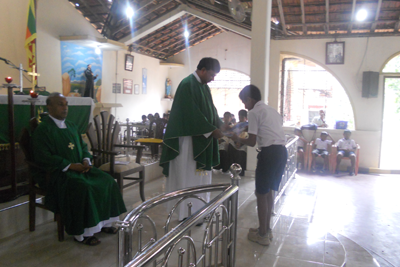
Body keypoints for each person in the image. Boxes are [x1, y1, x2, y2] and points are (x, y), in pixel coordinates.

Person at [32, 93, 127, 246]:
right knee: (84, 188)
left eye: (66, 104)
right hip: (60, 173)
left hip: (81, 167)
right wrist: (70, 166)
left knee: (108, 181)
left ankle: (106, 223)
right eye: (60, 104)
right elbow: (43, 156)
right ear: (49, 107)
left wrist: (85, 160)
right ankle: (82, 233)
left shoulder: (72, 126)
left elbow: (83, 147)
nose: (65, 108)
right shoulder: (43, 130)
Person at [160, 57, 224, 222]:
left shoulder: (203, 87)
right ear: (202, 70)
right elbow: (191, 114)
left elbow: (211, 110)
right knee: (188, 178)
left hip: (202, 138)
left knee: (201, 178)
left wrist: (221, 125)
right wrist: (211, 130)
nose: (212, 78)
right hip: (189, 142)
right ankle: (186, 214)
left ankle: (200, 211)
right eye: (211, 74)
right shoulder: (188, 85)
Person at [231, 85, 287, 246]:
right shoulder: (272, 110)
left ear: (249, 99)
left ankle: (262, 235)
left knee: (260, 193)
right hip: (281, 152)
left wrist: (237, 138)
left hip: (269, 154)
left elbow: (252, 140)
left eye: (244, 102)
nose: (244, 106)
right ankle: (266, 229)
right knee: (268, 192)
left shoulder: (254, 112)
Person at [228, 109, 248, 176]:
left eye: (242, 117)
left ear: (246, 118)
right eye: (239, 117)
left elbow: (247, 136)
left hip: (243, 144)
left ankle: (241, 171)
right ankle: (232, 169)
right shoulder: (236, 125)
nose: (240, 119)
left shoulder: (248, 126)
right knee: (230, 144)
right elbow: (232, 133)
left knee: (241, 152)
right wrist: (236, 141)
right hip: (235, 142)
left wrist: (240, 143)